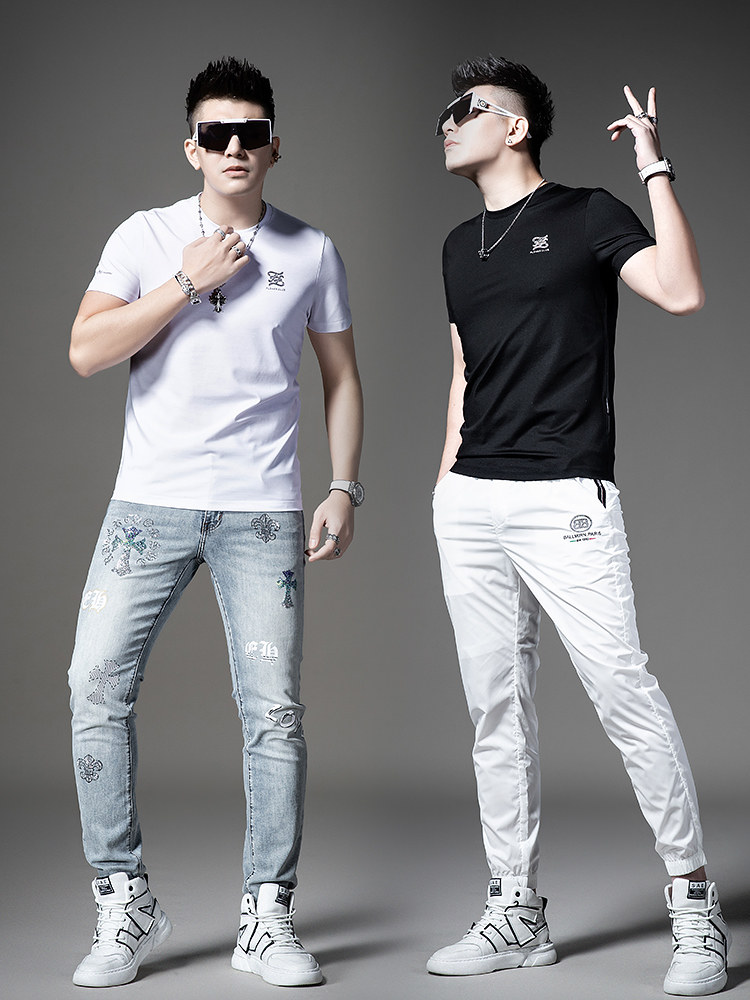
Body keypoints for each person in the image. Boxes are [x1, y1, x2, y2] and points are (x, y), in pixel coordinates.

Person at [428, 55, 730, 996]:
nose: (448, 121)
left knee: (621, 692)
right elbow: (466, 373)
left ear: (515, 127)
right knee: (495, 711)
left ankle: (695, 905)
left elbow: (680, 289)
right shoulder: (458, 246)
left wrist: (654, 164)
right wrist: (444, 488)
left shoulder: (589, 213)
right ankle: (516, 910)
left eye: (467, 108)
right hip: (470, 502)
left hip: (564, 497)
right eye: (445, 111)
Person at [67, 56, 364, 989]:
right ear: (191, 148)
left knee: (274, 714)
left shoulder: (312, 250)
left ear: (275, 145)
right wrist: (185, 283)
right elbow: (86, 351)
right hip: (147, 506)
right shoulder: (146, 235)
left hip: (262, 512)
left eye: (251, 132)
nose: (234, 147)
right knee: (93, 689)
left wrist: (344, 487)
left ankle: (267, 916)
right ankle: (124, 900)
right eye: (216, 134)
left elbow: (342, 378)